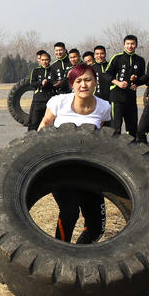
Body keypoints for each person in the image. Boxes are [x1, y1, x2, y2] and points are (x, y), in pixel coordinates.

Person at [38, 63, 111, 243]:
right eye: (78, 81)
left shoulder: (104, 107)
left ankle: (79, 255)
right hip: (59, 168)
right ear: (72, 84)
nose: (83, 85)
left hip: (88, 171)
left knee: (97, 225)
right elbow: (44, 126)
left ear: (95, 82)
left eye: (88, 80)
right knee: (70, 212)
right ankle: (60, 250)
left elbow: (103, 137)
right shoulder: (59, 102)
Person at [105, 35, 145, 138]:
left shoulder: (140, 60)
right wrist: (118, 83)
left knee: (132, 127)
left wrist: (136, 81)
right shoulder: (117, 58)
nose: (130, 46)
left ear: (136, 45)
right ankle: (115, 150)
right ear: (124, 45)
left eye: (132, 44)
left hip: (131, 98)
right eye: (128, 44)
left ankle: (130, 149)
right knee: (116, 127)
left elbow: (143, 78)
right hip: (117, 98)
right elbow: (106, 74)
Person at [26, 50, 56, 131]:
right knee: (34, 122)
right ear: (40, 60)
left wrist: (49, 82)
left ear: (49, 60)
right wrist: (41, 83)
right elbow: (32, 83)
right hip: (38, 100)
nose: (44, 62)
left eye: (46, 60)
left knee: (50, 122)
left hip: (50, 100)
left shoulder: (53, 70)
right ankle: (30, 138)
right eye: (42, 60)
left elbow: (56, 82)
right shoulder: (36, 70)